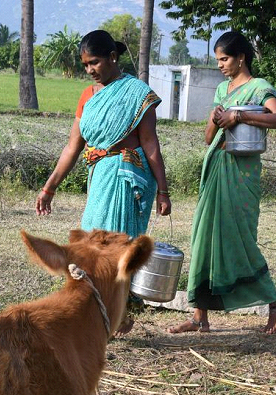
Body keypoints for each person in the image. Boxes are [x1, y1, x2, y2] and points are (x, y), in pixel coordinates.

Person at [35, 30, 171, 335]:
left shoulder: (138, 93)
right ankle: (108, 315)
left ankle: (113, 314)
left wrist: (163, 190)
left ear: (112, 57)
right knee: (92, 245)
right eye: (85, 64)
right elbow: (73, 146)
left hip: (126, 178)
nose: (90, 70)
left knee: (112, 250)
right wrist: (49, 187)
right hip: (99, 178)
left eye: (94, 62)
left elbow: (150, 144)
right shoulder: (88, 96)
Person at [167, 31, 276, 335]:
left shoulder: (259, 88)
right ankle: (199, 316)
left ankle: (275, 303)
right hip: (216, 167)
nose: (220, 64)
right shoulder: (223, 89)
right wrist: (216, 116)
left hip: (242, 172)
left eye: (224, 58)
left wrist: (241, 116)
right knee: (204, 237)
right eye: (218, 59)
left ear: (241, 58)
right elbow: (210, 137)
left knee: (239, 240)